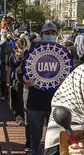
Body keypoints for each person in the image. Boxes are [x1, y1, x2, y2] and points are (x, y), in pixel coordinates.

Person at [24, 22, 59, 155]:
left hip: (55, 102)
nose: (50, 35)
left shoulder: (63, 53)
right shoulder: (31, 52)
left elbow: (69, 73)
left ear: (56, 35)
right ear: (41, 35)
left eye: (52, 33)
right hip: (35, 101)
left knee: (54, 139)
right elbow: (22, 72)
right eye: (47, 33)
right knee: (35, 139)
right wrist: (25, 81)